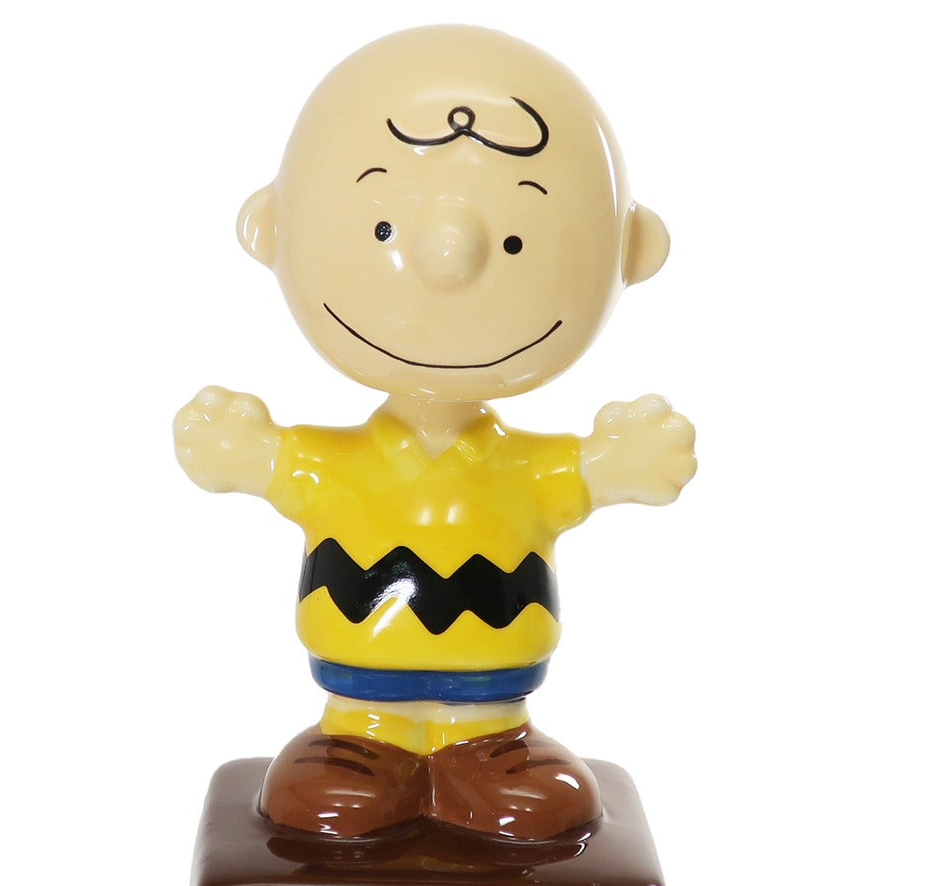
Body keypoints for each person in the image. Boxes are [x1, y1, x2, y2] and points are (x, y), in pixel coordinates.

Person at [174, 25, 696, 840]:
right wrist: (247, 453)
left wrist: (619, 463)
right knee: (336, 792)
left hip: (494, 697)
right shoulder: (333, 461)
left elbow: (579, 475)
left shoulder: (525, 468)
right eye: (385, 229)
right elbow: (281, 465)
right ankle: (360, 743)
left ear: (631, 250)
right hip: (358, 691)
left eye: (516, 239)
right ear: (268, 229)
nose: (450, 261)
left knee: (522, 793)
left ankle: (487, 750)